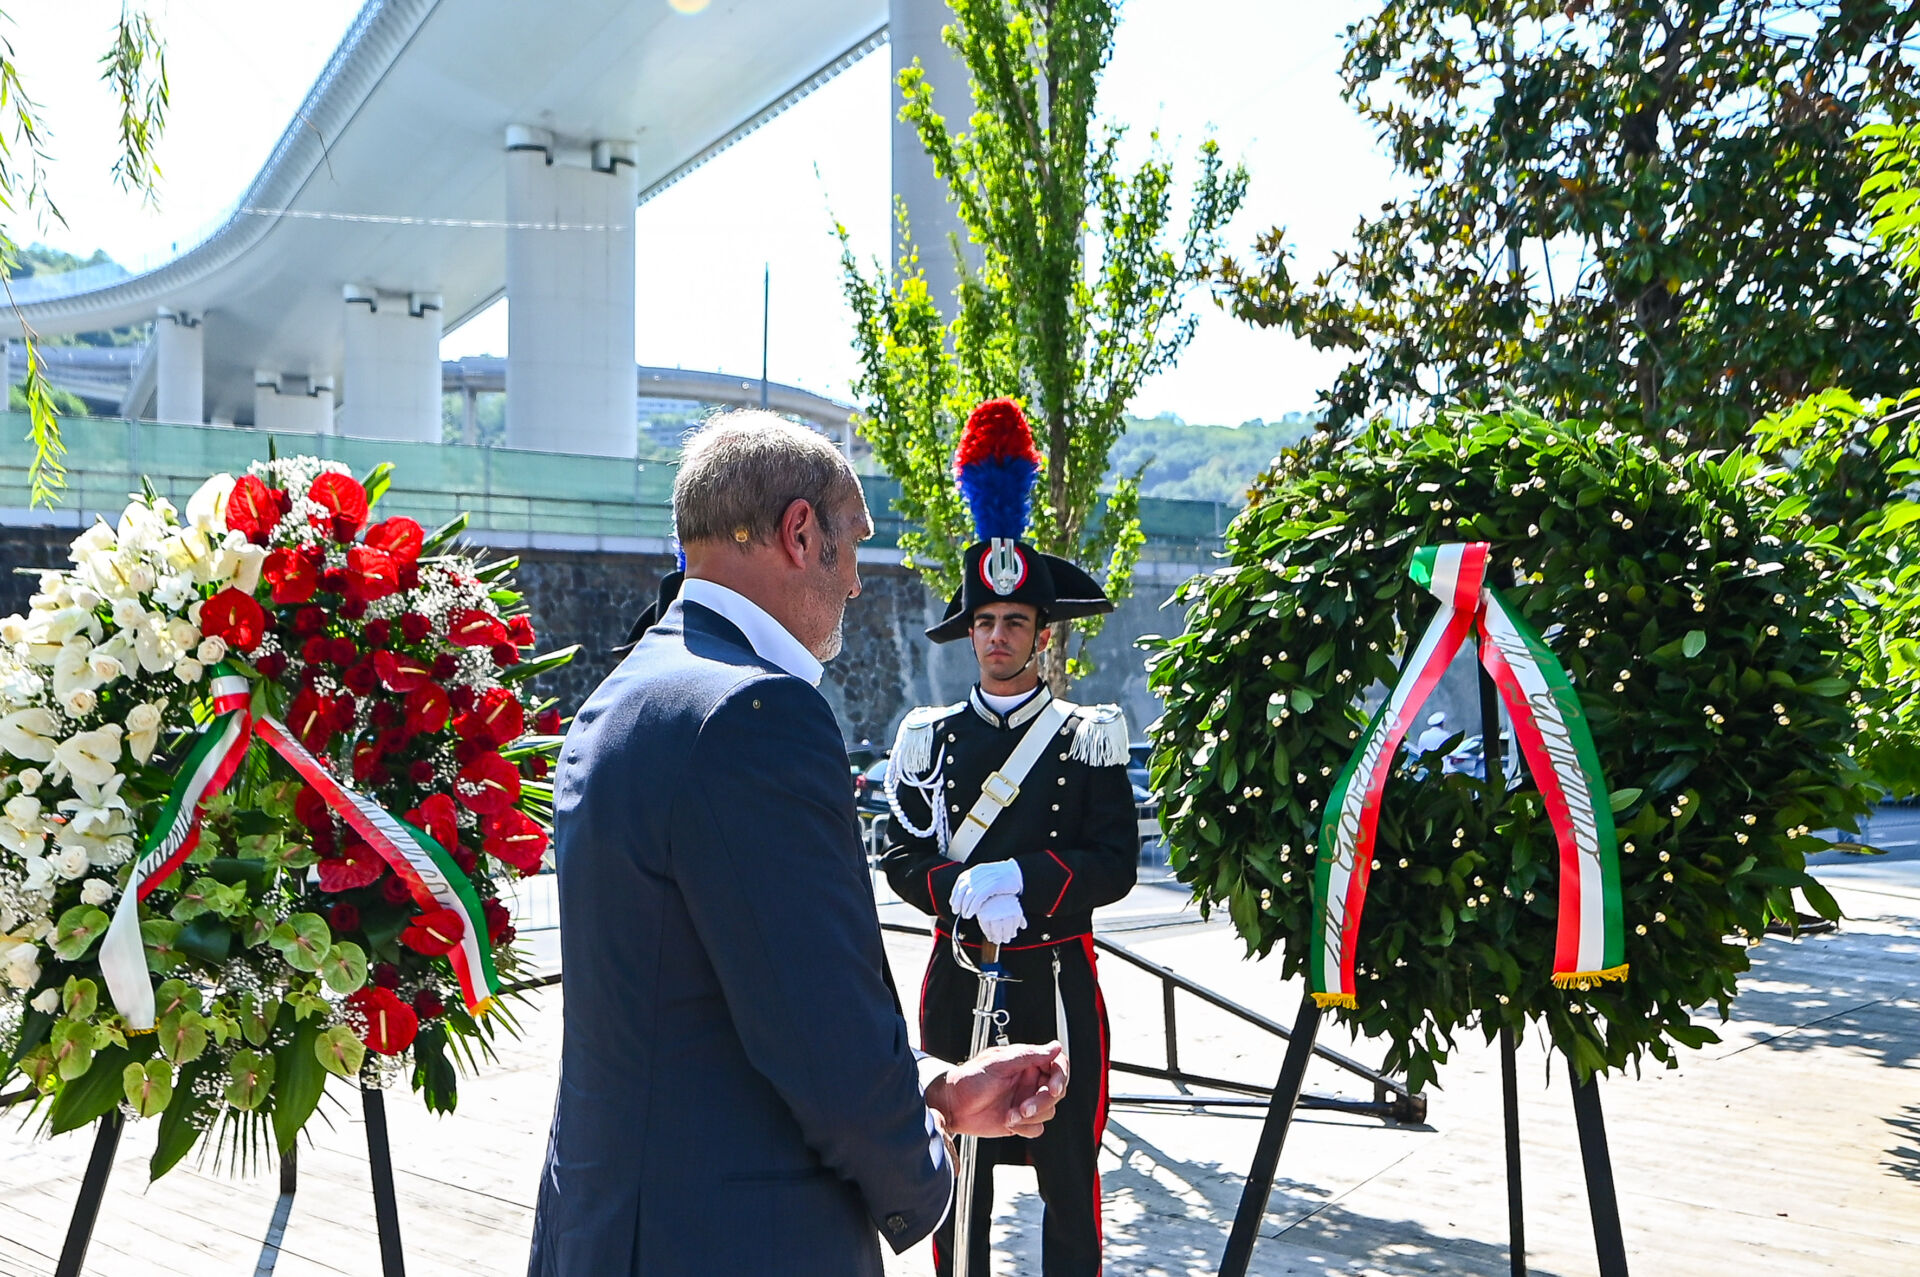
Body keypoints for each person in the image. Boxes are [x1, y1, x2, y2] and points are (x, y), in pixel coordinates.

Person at [529, 412, 1069, 1277]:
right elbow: (821, 1032)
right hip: (734, 1240)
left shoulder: (630, 687)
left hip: (615, 1226)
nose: (857, 580)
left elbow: (714, 998)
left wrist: (933, 1083)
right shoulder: (757, 711)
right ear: (800, 531)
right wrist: (922, 1164)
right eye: (851, 542)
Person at [881, 399, 1138, 1277]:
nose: (997, 637)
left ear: (1043, 633)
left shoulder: (1085, 735)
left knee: (1069, 1181)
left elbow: (1116, 863)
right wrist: (953, 889)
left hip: (1057, 985)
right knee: (957, 1178)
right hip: (960, 983)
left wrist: (1025, 879)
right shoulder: (932, 737)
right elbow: (898, 849)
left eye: (1015, 623)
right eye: (985, 622)